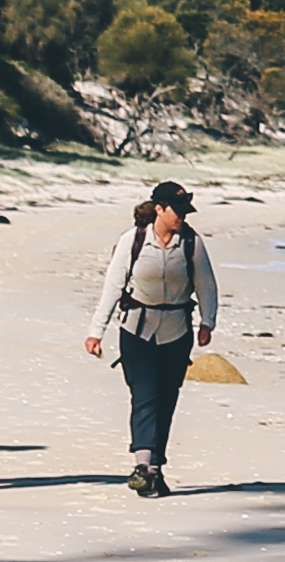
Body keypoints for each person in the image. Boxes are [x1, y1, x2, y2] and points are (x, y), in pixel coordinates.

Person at [82, 179, 215, 496]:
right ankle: (144, 466)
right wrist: (95, 332)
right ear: (159, 209)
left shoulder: (192, 243)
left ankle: (156, 468)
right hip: (136, 330)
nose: (182, 216)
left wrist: (207, 322)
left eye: (185, 210)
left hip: (177, 331)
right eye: (176, 210)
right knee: (145, 396)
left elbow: (206, 285)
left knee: (166, 400)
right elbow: (113, 287)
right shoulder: (133, 240)